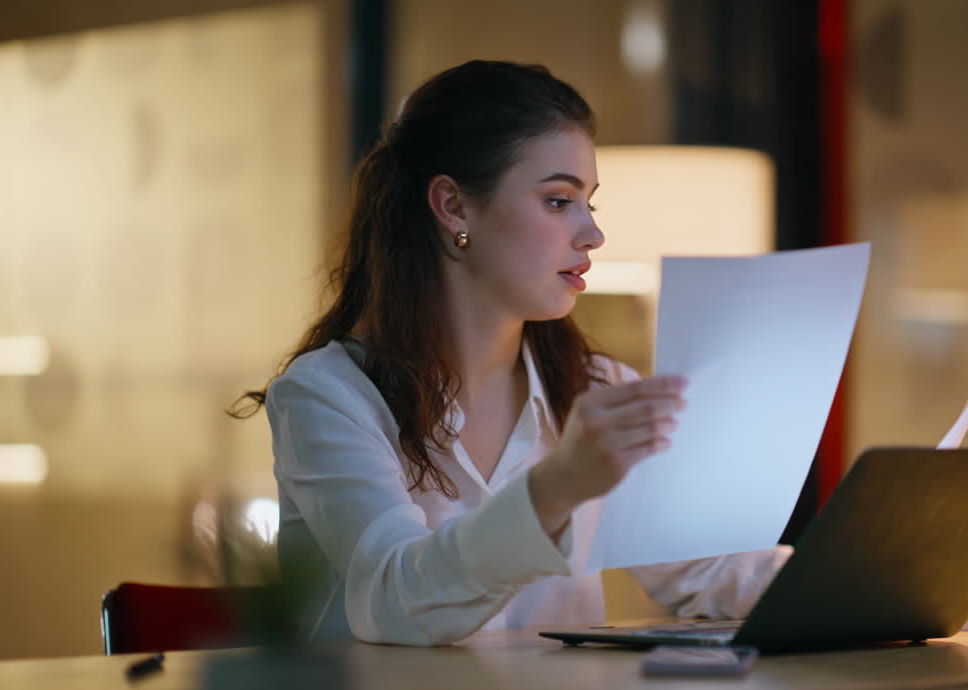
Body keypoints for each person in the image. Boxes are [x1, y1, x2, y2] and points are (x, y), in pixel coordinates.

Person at [234, 60, 791, 646]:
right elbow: (395, 598)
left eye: (589, 204)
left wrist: (876, 565)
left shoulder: (596, 387)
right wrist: (556, 487)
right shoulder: (329, 394)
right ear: (452, 206)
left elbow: (711, 570)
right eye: (558, 201)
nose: (592, 235)